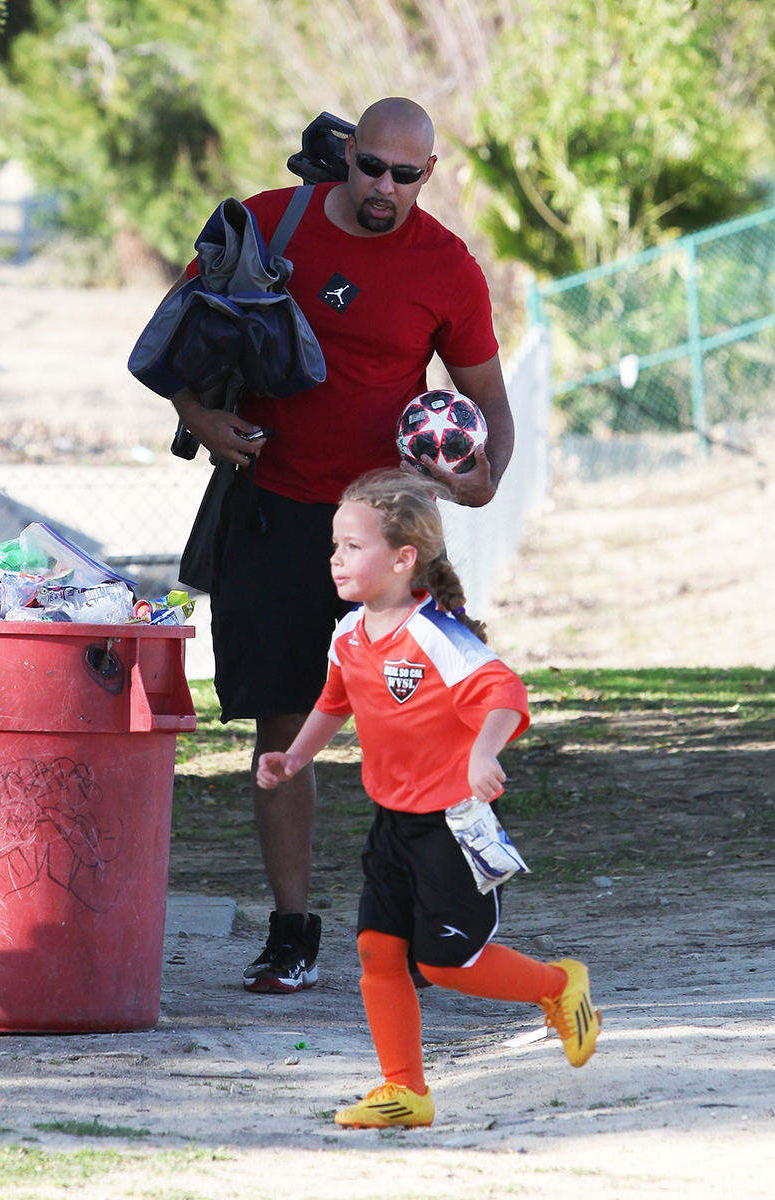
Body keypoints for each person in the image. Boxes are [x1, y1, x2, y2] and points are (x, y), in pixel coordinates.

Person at [165, 97, 515, 994]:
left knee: (422, 731)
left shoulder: (446, 267)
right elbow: (176, 337)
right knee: (284, 726)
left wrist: (480, 479)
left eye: (404, 175)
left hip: (387, 526)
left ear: (426, 177)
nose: (382, 188)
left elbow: (490, 404)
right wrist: (201, 416)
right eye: (369, 167)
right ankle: (292, 931)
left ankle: (435, 923)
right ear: (344, 156)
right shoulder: (269, 222)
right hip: (275, 513)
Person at [257, 471, 600, 1128]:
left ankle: (558, 985)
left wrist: (482, 752)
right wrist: (296, 756)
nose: (334, 558)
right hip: (393, 824)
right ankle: (404, 1090)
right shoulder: (348, 634)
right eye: (334, 545)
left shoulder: (435, 634)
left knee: (444, 965)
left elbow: (504, 693)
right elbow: (334, 700)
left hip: (451, 824)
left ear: (403, 557)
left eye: (351, 546)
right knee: (378, 954)